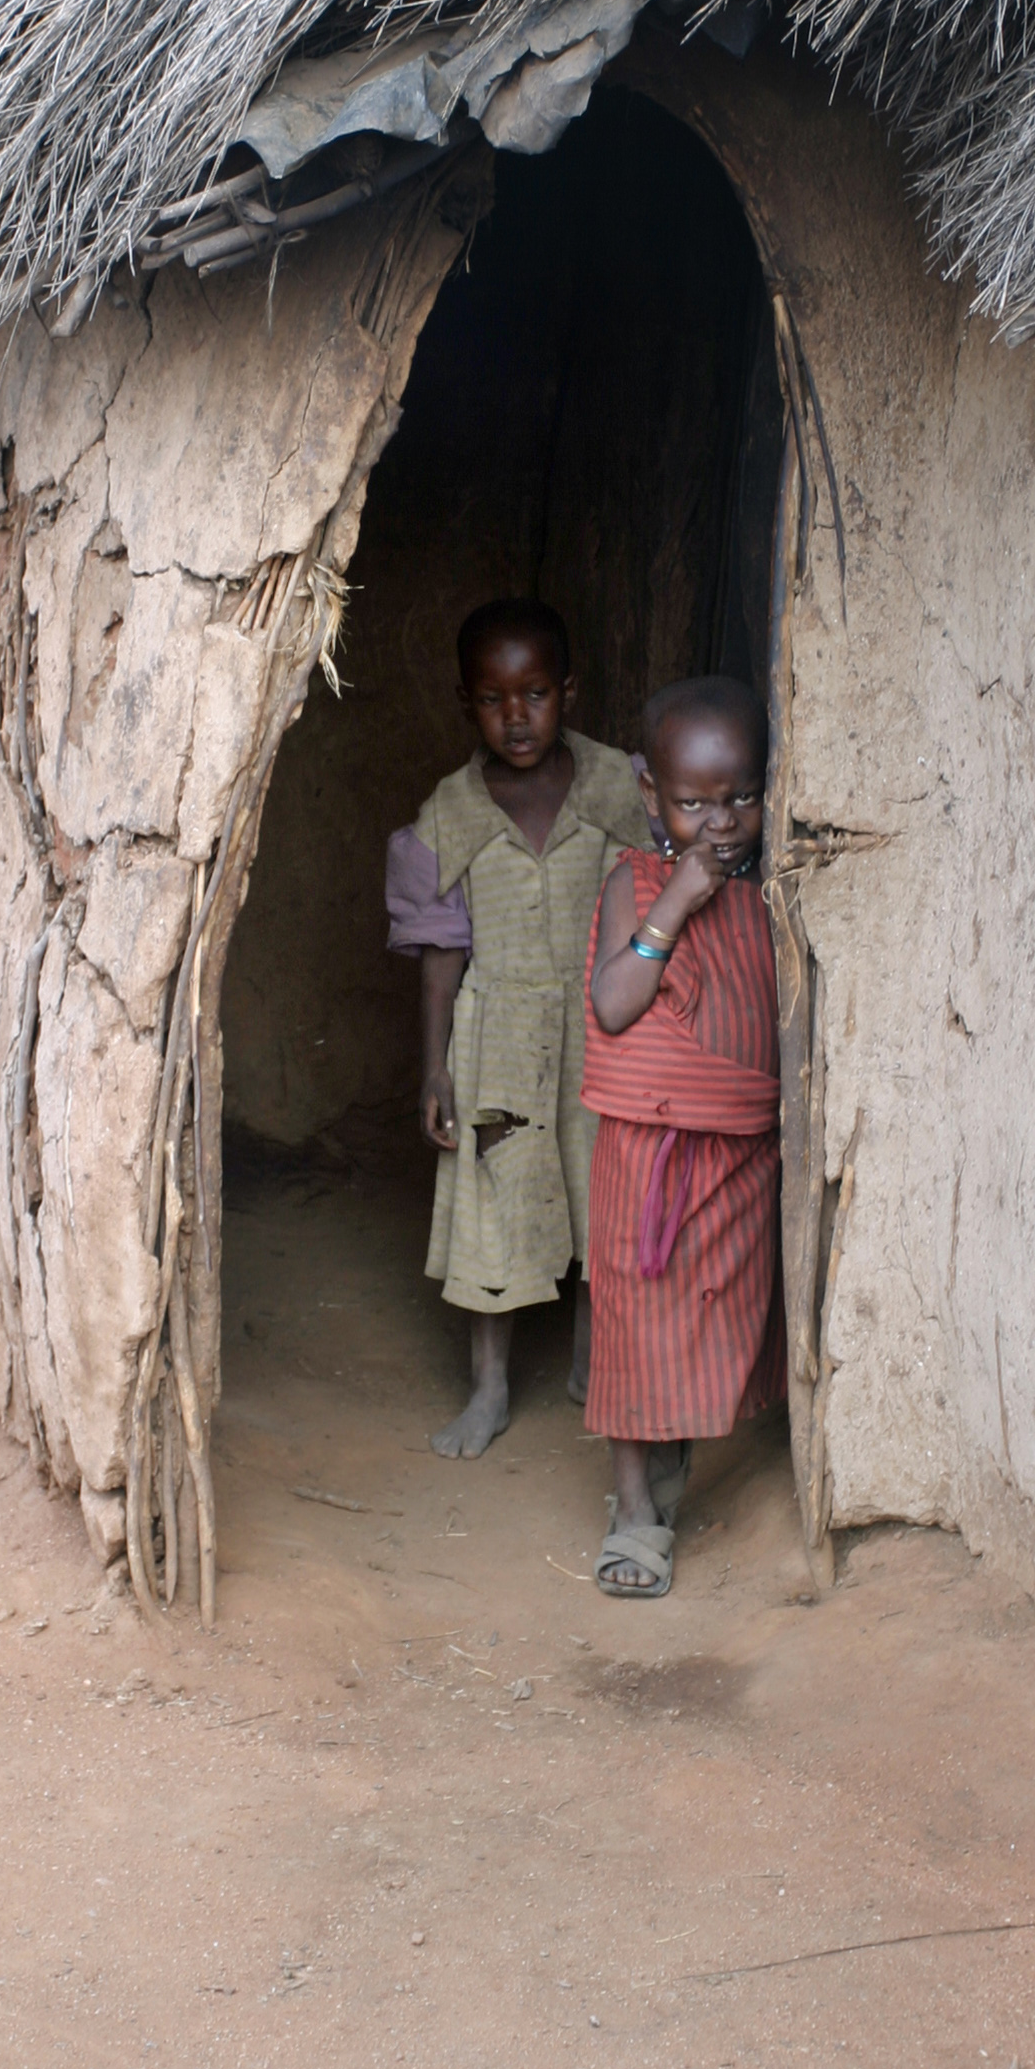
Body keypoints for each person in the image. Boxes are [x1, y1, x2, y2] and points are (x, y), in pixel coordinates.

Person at [385, 600, 650, 1456]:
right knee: (493, 1203)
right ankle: (490, 1388)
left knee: (603, 1190)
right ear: (466, 702)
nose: (517, 716)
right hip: (495, 1035)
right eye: (494, 699)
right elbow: (440, 955)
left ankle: (592, 1365)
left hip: (602, 1029)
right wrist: (436, 1068)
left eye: (535, 693)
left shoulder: (619, 786)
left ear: (568, 690)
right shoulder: (450, 814)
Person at [580, 675, 785, 1595]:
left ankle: (673, 1448)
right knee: (635, 1321)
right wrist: (679, 903)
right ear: (650, 793)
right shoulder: (636, 880)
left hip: (737, 1155)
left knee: (711, 1315)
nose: (722, 822)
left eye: (742, 795)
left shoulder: (775, 893)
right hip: (646, 1155)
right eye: (694, 802)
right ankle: (632, 1509)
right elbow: (614, 1002)